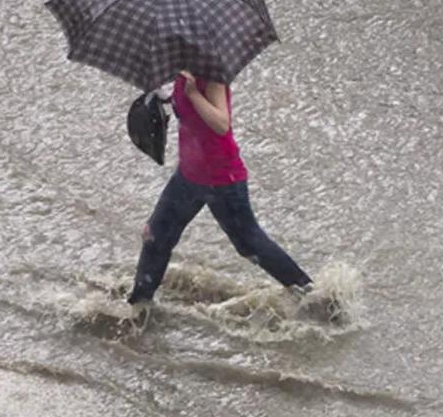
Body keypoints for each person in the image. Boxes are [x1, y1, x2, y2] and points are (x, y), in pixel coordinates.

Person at [127, 70, 313, 305]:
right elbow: (185, 111)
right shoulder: (182, 73)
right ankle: (138, 306)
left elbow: (221, 123)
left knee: (248, 244)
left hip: (222, 178)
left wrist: (193, 95)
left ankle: (310, 295)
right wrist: (162, 97)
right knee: (155, 236)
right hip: (189, 174)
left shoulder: (212, 74)